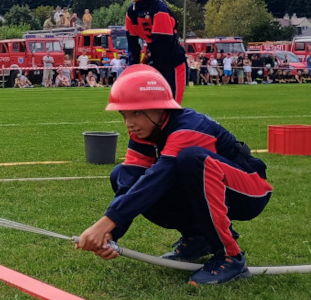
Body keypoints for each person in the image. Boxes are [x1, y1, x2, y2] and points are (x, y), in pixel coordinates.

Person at [75, 65, 273, 286]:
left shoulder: (188, 126)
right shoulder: (146, 131)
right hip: (215, 186)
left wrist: (104, 224)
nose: (129, 123)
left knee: (191, 159)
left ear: (160, 109)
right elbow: (129, 180)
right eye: (124, 114)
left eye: (137, 112)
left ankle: (230, 256)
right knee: (120, 174)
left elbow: (159, 178)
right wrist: (112, 233)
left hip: (250, 189)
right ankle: (197, 238)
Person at [124, 0, 188, 102]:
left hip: (173, 64)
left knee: (171, 107)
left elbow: (162, 44)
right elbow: (133, 46)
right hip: (155, 63)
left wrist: (149, 67)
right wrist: (133, 71)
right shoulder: (131, 12)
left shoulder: (160, 9)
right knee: (153, 110)